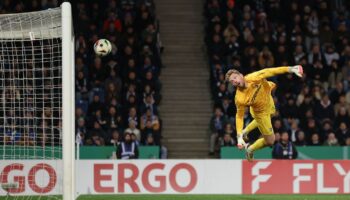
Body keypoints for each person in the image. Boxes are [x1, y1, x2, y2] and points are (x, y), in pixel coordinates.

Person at [225, 65, 303, 161]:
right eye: (232, 81)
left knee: (272, 113)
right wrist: (239, 136)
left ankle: (246, 131)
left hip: (267, 99)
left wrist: (290, 69)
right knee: (271, 141)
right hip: (260, 114)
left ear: (241, 75)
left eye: (235, 78)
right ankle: (250, 149)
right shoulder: (240, 98)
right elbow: (239, 116)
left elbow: (269, 71)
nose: (235, 81)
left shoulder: (254, 77)